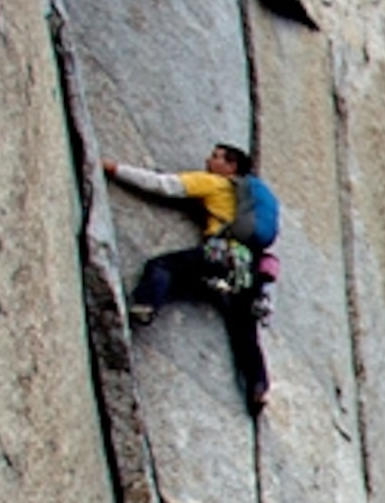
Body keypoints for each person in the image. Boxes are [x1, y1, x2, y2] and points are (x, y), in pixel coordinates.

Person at [104, 143, 280, 414]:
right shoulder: (246, 201)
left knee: (163, 267)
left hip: (219, 256)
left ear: (230, 167)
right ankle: (258, 387)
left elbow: (163, 185)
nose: (208, 159)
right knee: (244, 330)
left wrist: (115, 170)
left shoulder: (214, 184)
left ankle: (145, 304)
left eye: (216, 157)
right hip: (246, 270)